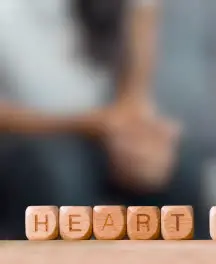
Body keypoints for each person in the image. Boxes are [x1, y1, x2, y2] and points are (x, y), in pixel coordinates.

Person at [0, 0, 180, 238]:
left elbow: (142, 24)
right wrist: (91, 122)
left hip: (103, 130)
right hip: (21, 134)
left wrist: (135, 132)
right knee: (57, 173)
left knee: (177, 172)